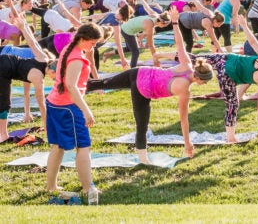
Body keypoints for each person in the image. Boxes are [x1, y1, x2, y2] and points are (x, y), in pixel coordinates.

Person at [86, 9, 214, 163]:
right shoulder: (184, 89)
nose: (205, 84)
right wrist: (187, 143)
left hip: (138, 73)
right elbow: (183, 118)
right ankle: (143, 159)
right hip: (142, 89)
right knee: (142, 125)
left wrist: (175, 22)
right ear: (199, 77)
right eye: (205, 81)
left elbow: (180, 43)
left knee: (101, 84)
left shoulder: (186, 64)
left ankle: (73, 87)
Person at [192, 19, 258, 144]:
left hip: (226, 58)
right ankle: (231, 137)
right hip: (227, 75)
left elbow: (253, 41)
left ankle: (167, 58)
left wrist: (245, 25)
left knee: (192, 58)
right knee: (232, 105)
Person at [45, 22, 103, 206]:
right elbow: (71, 86)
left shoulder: (69, 48)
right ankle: (87, 188)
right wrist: (86, 110)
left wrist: (89, 54)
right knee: (83, 146)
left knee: (58, 146)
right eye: (93, 43)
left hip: (54, 103)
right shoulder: (77, 58)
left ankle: (51, 186)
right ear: (83, 39)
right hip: (68, 107)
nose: (94, 46)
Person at [0, 8, 54, 141]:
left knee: (4, 102)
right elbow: (41, 105)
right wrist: (23, 27)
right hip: (3, 66)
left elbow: (32, 42)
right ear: (53, 71)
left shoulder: (42, 59)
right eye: (55, 77)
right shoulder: (39, 78)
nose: (53, 79)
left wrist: (23, 27)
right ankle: (3, 135)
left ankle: (3, 134)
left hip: (4, 62)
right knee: (4, 103)